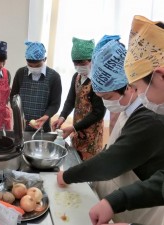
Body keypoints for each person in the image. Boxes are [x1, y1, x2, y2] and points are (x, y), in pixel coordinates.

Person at [56, 32, 164, 224]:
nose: (106, 104)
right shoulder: (128, 108)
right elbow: (111, 150)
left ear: (129, 87)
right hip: (116, 206)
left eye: (107, 98)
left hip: (140, 211)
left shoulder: (150, 117)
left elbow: (112, 161)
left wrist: (68, 175)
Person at [89, 15, 164, 225]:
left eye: (139, 88)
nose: (139, 96)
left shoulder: (152, 120)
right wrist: (114, 203)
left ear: (160, 75)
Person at [52, 37, 106, 160]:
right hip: (77, 133)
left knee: (87, 170)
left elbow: (98, 113)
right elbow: (71, 100)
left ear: (92, 60)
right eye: (75, 63)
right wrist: (62, 117)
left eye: (82, 64)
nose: (78, 67)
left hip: (91, 136)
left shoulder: (98, 81)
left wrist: (74, 127)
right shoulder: (76, 77)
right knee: (75, 160)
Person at [10, 41, 62, 132]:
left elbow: (55, 104)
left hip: (43, 127)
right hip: (21, 126)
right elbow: (13, 97)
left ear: (44, 59)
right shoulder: (20, 73)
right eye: (30, 65)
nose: (34, 68)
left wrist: (46, 116)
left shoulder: (54, 77)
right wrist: (19, 116)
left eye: (38, 65)